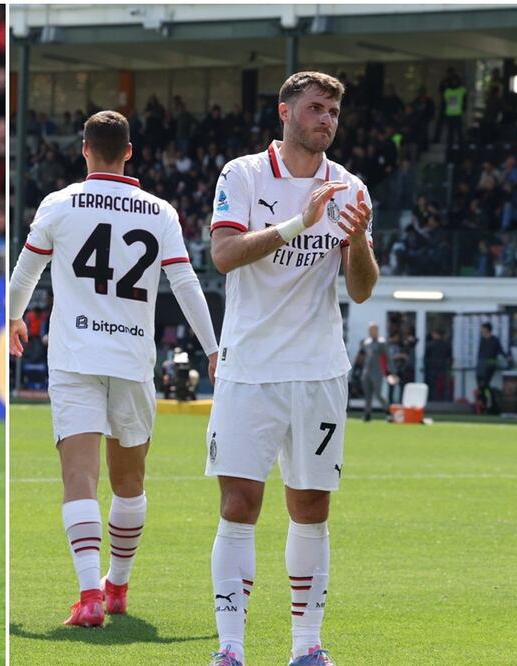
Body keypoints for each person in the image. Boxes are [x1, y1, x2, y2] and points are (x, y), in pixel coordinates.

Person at [8, 110, 218, 628]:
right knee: (130, 482)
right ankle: (117, 587)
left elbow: (25, 270)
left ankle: (89, 596)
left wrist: (12, 317)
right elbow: (186, 285)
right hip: (131, 357)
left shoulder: (59, 203)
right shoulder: (160, 211)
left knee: (79, 477)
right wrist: (213, 348)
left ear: (84, 149)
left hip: (76, 357)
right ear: (129, 151)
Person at [206, 71, 378, 666]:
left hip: (318, 372)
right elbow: (224, 255)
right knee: (239, 506)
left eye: (332, 111)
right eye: (315, 108)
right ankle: (230, 648)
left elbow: (360, 292)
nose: (325, 119)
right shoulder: (244, 174)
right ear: (285, 112)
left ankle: (307, 648)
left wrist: (357, 244)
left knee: (312, 508)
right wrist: (300, 223)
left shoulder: (351, 189)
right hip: (249, 368)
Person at [358, 322, 389, 421]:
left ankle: (388, 412)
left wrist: (393, 372)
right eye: (370, 330)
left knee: (378, 394)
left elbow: (388, 357)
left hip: (377, 372)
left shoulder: (382, 342)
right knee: (367, 395)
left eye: (374, 329)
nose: (372, 332)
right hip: (367, 371)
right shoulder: (366, 342)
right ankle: (367, 415)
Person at [476, 322, 510, 392]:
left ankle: (488, 399)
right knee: (479, 383)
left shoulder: (495, 340)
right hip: (482, 363)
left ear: (487, 329)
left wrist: (507, 357)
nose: (481, 330)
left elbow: (500, 350)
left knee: (485, 383)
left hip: (490, 363)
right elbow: (480, 352)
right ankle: (483, 400)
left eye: (482, 329)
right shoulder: (482, 340)